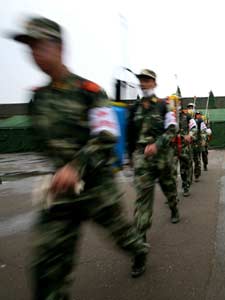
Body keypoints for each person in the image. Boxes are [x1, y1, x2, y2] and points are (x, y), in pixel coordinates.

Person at [10, 16, 149, 298]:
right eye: (30, 48)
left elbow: (106, 136)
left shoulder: (90, 92)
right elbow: (43, 144)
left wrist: (77, 165)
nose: (35, 54)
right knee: (47, 264)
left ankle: (139, 251)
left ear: (59, 48)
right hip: (62, 192)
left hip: (97, 186)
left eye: (40, 45)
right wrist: (55, 174)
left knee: (123, 236)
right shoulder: (38, 98)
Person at [129, 69, 180, 276]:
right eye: (141, 81)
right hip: (143, 161)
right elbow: (131, 134)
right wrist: (128, 157)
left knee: (169, 190)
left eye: (147, 80)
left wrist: (158, 144)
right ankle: (139, 250)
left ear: (154, 83)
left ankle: (174, 208)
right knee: (142, 203)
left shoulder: (164, 105)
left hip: (162, 159)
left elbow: (172, 129)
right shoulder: (135, 108)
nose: (144, 83)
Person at [178, 105, 196, 196]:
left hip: (184, 146)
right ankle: (171, 194)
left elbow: (194, 127)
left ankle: (185, 186)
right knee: (170, 171)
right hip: (171, 147)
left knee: (184, 168)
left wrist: (190, 135)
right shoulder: (168, 116)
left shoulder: (187, 117)